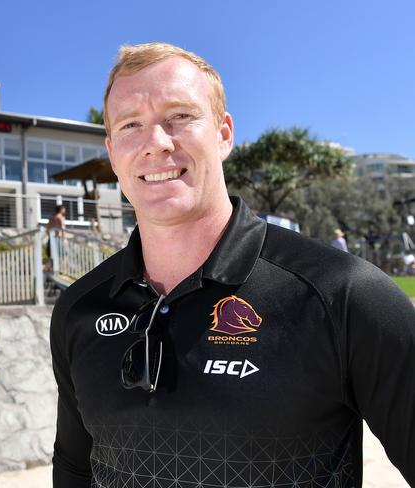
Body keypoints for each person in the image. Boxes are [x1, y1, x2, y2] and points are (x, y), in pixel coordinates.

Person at [50, 42, 415, 488]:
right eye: (131, 125)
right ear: (112, 151)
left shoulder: (341, 295)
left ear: (224, 134)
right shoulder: (78, 309)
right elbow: (73, 468)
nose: (155, 143)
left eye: (179, 117)